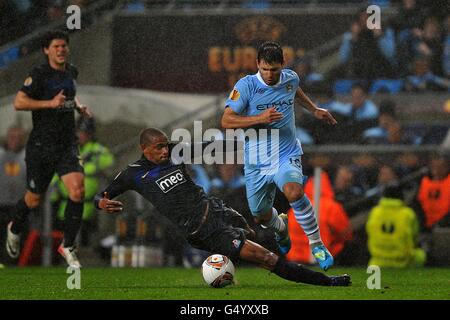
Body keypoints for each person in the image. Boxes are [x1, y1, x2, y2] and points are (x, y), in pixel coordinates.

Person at [95, 128, 351, 287]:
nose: (165, 150)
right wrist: (101, 202)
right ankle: (327, 282)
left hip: (215, 208)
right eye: (158, 147)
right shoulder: (133, 174)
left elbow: (208, 147)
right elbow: (101, 194)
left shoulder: (175, 152)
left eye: (166, 145)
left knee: (256, 232)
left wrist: (245, 140)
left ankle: (276, 237)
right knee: (266, 257)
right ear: (144, 149)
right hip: (202, 230)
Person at [221, 41, 338, 271]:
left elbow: (295, 92)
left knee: (294, 191)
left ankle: (317, 244)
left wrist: (314, 109)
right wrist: (259, 118)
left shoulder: (290, 78)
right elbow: (226, 120)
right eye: (264, 69)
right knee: (260, 216)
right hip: (256, 160)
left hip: (285, 152)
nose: (269, 74)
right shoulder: (245, 86)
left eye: (274, 69)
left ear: (282, 65)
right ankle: (281, 228)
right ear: (257, 65)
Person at [5, 30, 92, 268]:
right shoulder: (39, 74)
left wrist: (79, 106)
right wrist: (49, 104)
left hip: (67, 145)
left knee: (77, 191)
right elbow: (19, 102)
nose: (61, 50)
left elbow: (67, 98)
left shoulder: (71, 71)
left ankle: (68, 245)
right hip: (41, 147)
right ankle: (14, 227)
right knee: (33, 199)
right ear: (46, 50)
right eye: (56, 46)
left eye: (64, 46)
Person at [51, 117, 114, 247]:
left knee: (86, 243)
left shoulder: (98, 150)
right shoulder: (67, 150)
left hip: (89, 208)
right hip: (64, 206)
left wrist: (85, 166)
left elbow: (109, 163)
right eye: (78, 131)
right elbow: (55, 174)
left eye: (84, 132)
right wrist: (51, 195)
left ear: (90, 134)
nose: (80, 135)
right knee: (63, 243)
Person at [366, 184, 426, 268]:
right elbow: (415, 236)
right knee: (421, 255)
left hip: (377, 262)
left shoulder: (375, 212)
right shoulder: (407, 214)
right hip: (402, 263)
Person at [0, 126, 27, 264]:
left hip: (19, 208)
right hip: (1, 206)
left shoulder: (27, 157)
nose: (14, 141)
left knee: (15, 243)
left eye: (18, 138)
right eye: (12, 137)